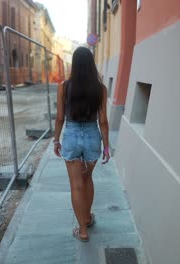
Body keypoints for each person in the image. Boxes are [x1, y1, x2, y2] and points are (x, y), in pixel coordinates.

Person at [53, 47, 110, 242]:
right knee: (87, 180)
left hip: (71, 135)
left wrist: (55, 140)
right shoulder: (101, 89)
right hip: (93, 136)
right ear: (91, 64)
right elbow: (103, 120)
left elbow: (60, 117)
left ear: (75, 65)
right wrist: (107, 146)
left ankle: (82, 230)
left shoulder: (64, 87)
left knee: (76, 185)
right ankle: (87, 217)